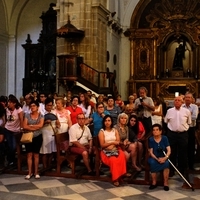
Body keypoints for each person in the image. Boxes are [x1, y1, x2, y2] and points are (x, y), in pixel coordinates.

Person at [164, 96, 191, 177]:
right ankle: (171, 170)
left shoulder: (187, 111)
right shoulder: (169, 111)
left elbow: (189, 122)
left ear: (182, 102)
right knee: (172, 152)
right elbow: (166, 121)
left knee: (183, 152)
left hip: (183, 134)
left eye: (179, 100)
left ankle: (182, 170)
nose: (177, 101)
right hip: (172, 134)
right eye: (175, 100)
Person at [98, 115, 126, 187]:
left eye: (109, 120)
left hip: (115, 148)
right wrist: (112, 143)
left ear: (111, 122)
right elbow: (102, 145)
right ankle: (115, 178)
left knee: (122, 155)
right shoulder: (101, 131)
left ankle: (120, 175)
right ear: (103, 122)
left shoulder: (115, 130)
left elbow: (118, 141)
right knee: (113, 160)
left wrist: (113, 145)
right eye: (105, 121)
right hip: (105, 151)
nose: (107, 122)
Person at [23, 100, 44, 179]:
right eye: (31, 106)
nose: (32, 108)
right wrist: (34, 126)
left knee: (36, 155)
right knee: (29, 154)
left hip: (38, 136)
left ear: (37, 107)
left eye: (34, 106)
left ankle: (36, 172)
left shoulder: (41, 116)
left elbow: (40, 126)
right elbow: (24, 126)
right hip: (28, 136)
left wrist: (30, 126)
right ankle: (29, 172)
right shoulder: (27, 115)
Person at [148, 124, 171, 191]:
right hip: (154, 157)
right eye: (154, 130)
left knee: (166, 163)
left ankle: (165, 183)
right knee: (152, 162)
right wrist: (157, 159)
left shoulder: (164, 138)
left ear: (160, 131)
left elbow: (169, 150)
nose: (155, 131)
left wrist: (165, 158)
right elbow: (151, 152)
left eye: (157, 130)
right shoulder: (151, 139)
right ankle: (154, 182)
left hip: (163, 157)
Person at [40, 98, 60, 169]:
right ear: (45, 105)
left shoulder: (54, 112)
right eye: (48, 105)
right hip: (45, 132)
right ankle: (45, 166)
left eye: (51, 105)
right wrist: (45, 122)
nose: (49, 107)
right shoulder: (42, 113)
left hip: (52, 132)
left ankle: (49, 165)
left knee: (51, 150)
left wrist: (58, 124)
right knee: (45, 151)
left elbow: (58, 122)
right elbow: (39, 125)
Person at [4, 95, 23, 165]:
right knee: (10, 145)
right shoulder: (7, 109)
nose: (8, 104)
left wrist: (21, 128)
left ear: (14, 103)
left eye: (10, 102)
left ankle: (13, 159)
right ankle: (10, 160)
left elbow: (21, 119)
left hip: (16, 130)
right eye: (8, 102)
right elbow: (6, 119)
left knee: (14, 145)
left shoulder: (19, 109)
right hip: (8, 129)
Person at [182, 92, 198, 170]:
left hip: (191, 129)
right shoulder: (181, 106)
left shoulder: (194, 107)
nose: (187, 99)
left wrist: (185, 115)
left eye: (189, 97)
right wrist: (189, 114)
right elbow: (181, 117)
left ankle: (191, 165)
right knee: (183, 147)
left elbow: (194, 117)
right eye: (186, 97)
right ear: (184, 99)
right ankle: (183, 165)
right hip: (183, 129)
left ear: (192, 99)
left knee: (191, 147)